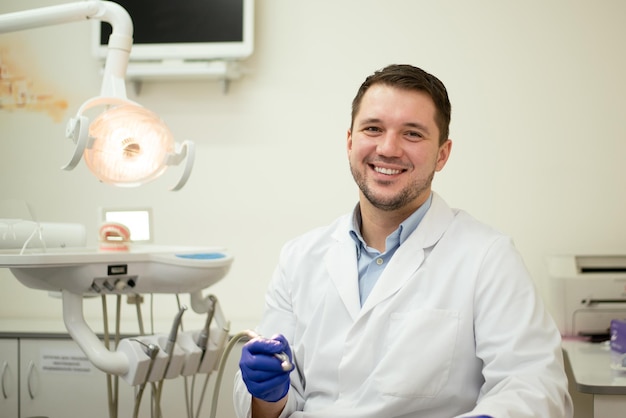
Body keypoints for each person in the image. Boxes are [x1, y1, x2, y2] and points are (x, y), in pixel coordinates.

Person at [233, 64, 573, 418]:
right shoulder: (299, 258)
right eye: (373, 129)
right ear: (350, 142)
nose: (388, 148)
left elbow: (535, 386)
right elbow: (269, 408)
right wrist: (269, 395)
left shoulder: (488, 257)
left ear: (443, 154)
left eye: (412, 134)